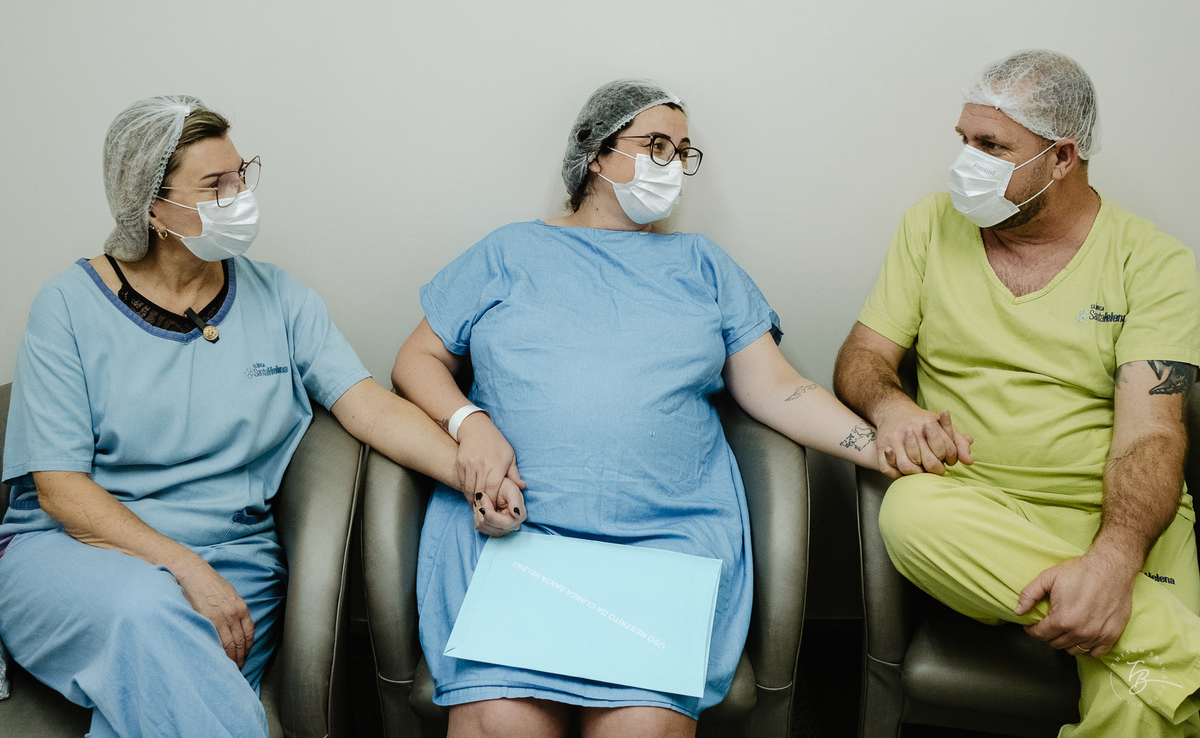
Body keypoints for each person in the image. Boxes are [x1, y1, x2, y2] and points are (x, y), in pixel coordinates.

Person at [392, 78, 880, 738]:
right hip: (518, 529)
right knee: (502, 720)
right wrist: (468, 424)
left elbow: (777, 387)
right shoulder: (509, 252)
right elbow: (415, 360)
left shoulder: (703, 266)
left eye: (682, 152)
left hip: (665, 542)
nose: (671, 164)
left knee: (643, 724)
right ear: (595, 153)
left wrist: (879, 446)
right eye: (655, 144)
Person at [0, 95, 501, 738]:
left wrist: (471, 469)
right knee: (145, 609)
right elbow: (61, 490)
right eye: (215, 185)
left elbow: (368, 406)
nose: (239, 195)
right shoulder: (68, 306)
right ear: (150, 207)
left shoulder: (280, 299)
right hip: (73, 556)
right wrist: (182, 569)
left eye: (242, 174)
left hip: (232, 563)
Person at [833, 50, 1200, 735]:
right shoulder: (928, 226)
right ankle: (1188, 652)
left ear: (1062, 158)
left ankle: (1154, 646)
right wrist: (892, 406)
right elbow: (862, 356)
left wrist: (1115, 561)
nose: (965, 161)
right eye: (964, 141)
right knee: (909, 516)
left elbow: (1153, 433)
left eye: (992, 146)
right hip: (976, 511)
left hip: (1119, 517)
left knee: (1143, 700)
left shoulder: (1155, 263)